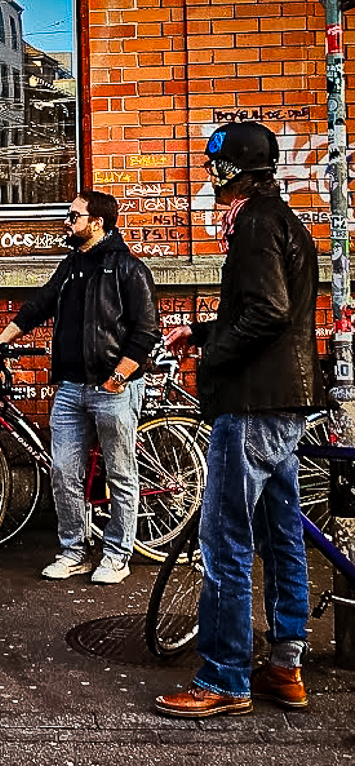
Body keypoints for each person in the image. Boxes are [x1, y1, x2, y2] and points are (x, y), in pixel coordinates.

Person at [155, 122, 325, 718]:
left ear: (234, 171)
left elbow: (267, 313)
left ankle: (224, 676)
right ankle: (285, 667)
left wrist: (208, 356)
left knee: (224, 539)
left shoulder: (253, 224)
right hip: (285, 403)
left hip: (251, 406)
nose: (208, 175)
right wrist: (198, 331)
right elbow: (269, 311)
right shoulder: (285, 223)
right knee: (283, 538)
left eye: (214, 165)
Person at [0, 189, 160, 585]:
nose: (68, 221)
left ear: (97, 222)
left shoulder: (128, 268)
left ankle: (117, 555)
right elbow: (38, 305)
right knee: (63, 471)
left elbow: (146, 331)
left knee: (120, 473)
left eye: (74, 216)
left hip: (113, 388)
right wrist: (0, 341)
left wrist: (118, 377)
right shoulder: (72, 266)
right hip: (71, 388)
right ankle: (74, 551)